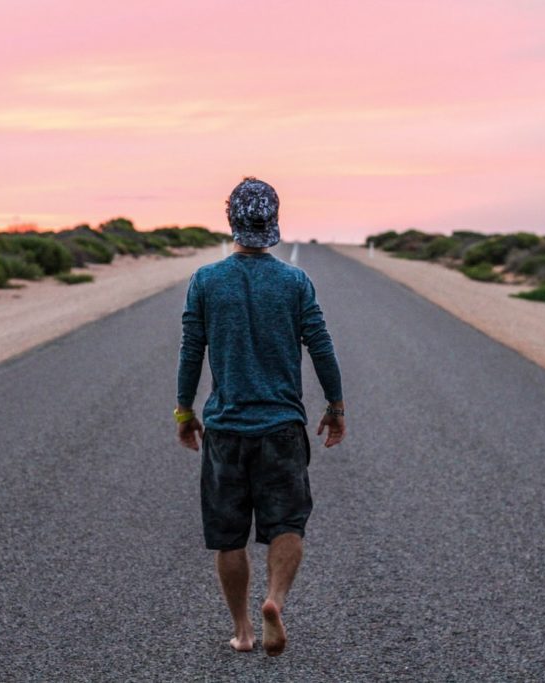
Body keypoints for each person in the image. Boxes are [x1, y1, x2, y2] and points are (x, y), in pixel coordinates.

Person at [175, 177, 345, 657]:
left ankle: (244, 630)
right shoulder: (294, 281)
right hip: (281, 428)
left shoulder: (206, 280)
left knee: (229, 536)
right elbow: (321, 346)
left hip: (226, 429)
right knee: (287, 524)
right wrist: (335, 406)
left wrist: (184, 410)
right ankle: (275, 600)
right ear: (273, 221)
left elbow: (192, 350)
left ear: (231, 218)